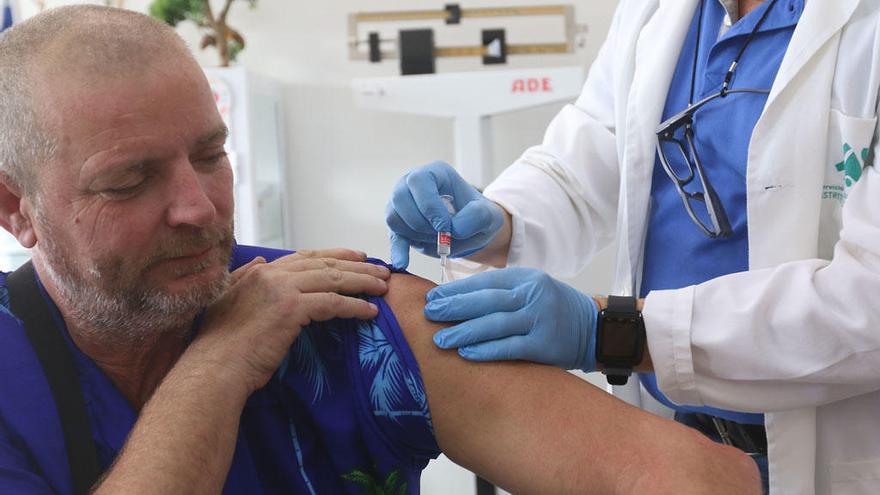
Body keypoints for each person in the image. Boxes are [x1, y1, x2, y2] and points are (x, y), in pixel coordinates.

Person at [0, 5, 764, 495]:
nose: (198, 209)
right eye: (129, 181)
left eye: (210, 154)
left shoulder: (333, 313)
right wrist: (218, 364)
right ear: (16, 208)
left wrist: (598, 316)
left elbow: (708, 483)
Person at [386, 1, 880, 494]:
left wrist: (612, 332)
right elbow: (591, 151)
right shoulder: (659, 11)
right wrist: (501, 220)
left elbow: (868, 300)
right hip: (670, 437)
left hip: (832, 451)